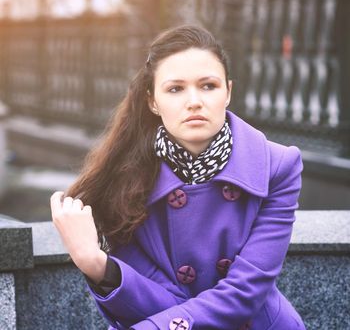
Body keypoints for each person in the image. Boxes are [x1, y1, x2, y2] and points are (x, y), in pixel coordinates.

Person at [50, 25, 306, 330]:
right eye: (175, 89)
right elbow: (158, 299)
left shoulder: (277, 167)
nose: (194, 101)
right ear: (152, 101)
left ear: (228, 92)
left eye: (208, 85)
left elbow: (243, 294)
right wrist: (95, 264)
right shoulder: (123, 179)